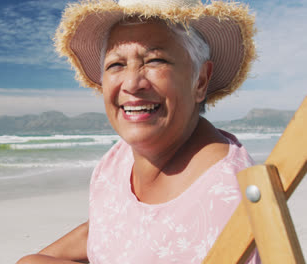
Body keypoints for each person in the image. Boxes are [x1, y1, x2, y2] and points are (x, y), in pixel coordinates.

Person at [18, 0, 260, 263]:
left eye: (155, 60)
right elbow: (115, 228)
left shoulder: (226, 196)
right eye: (116, 65)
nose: (132, 83)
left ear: (200, 81)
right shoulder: (117, 161)